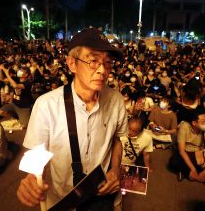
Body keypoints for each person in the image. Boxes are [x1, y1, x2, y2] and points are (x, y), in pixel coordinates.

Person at [17, 28, 128, 210]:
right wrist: (32, 178)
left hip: (104, 196)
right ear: (72, 64)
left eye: (107, 63)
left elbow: (117, 139)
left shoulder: (115, 100)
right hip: (63, 199)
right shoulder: (46, 105)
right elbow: (37, 155)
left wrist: (115, 170)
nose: (102, 70)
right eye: (93, 61)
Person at [169, 109, 205, 184]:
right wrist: (193, 168)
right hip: (187, 152)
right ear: (194, 123)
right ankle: (199, 176)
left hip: (200, 154)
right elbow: (181, 150)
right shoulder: (184, 126)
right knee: (173, 161)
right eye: (203, 122)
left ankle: (188, 173)